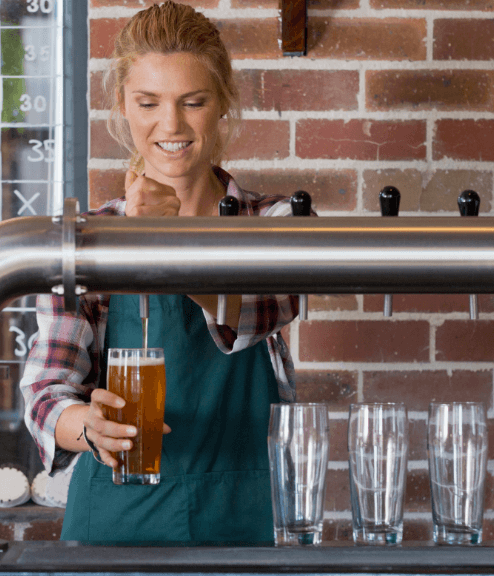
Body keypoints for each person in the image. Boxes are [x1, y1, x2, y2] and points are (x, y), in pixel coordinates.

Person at [20, 1, 307, 544]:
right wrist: (86, 426)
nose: (171, 125)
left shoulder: (275, 221)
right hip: (113, 522)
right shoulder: (88, 240)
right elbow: (45, 389)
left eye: (192, 102)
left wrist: (160, 245)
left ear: (222, 103)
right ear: (122, 106)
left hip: (244, 518)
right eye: (148, 102)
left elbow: (254, 311)